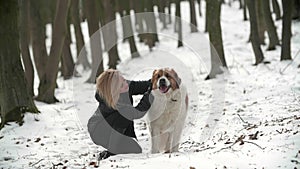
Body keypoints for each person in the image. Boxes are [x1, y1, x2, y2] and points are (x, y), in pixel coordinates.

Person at [87, 69, 153, 161]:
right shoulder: (110, 102)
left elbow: (144, 86)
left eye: (124, 80)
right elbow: (137, 112)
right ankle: (111, 151)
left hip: (114, 126)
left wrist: (156, 80)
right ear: (114, 91)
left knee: (136, 149)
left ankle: (113, 149)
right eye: (122, 85)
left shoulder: (125, 85)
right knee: (124, 115)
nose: (126, 84)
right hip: (99, 131)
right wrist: (151, 95)